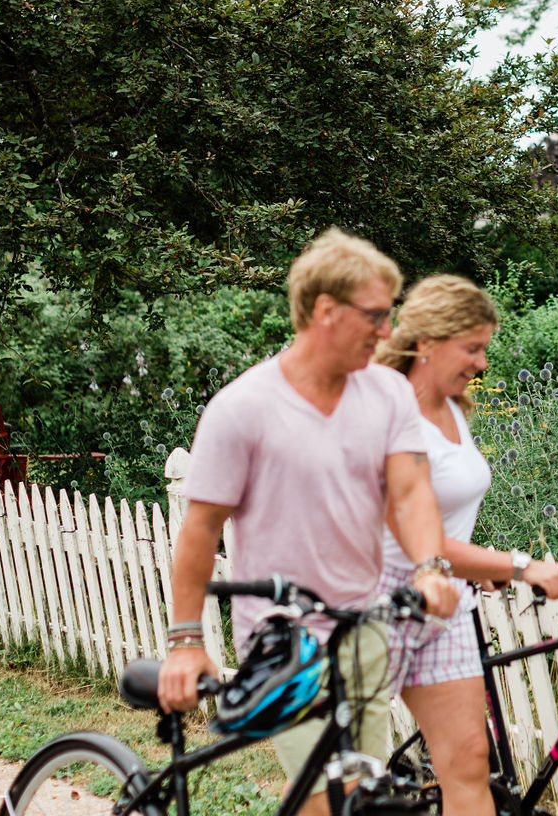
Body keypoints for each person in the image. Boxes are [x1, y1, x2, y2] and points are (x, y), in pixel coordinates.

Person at [156, 228, 458, 816]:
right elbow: (200, 528)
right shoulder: (243, 408)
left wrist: (429, 567)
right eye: (374, 315)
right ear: (325, 311)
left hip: (363, 626)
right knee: (329, 799)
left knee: (363, 797)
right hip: (284, 637)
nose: (387, 331)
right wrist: (186, 641)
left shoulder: (389, 394)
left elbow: (411, 490)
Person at [376, 275, 558, 816]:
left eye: (483, 348)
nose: (481, 363)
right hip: (373, 604)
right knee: (337, 777)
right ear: (426, 342)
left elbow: (445, 526)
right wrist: (520, 566)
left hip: (443, 604)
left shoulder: (451, 408)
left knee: (467, 759)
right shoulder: (388, 416)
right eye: (471, 348)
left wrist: (476, 565)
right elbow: (415, 535)